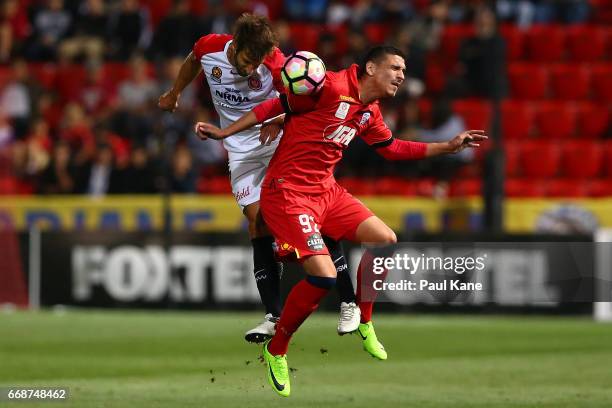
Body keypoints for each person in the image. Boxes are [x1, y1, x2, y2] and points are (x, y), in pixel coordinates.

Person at [195, 45, 487, 397]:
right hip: (288, 192)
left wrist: (447, 146)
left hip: (327, 192)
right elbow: (280, 103)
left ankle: (364, 320)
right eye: (395, 67)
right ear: (370, 68)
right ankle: (277, 349)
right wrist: (226, 134)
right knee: (324, 276)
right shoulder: (330, 86)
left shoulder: (370, 112)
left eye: (404, 70)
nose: (401, 75)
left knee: (384, 239)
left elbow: (392, 148)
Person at [158, 13, 360, 344]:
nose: (252, 69)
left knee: (310, 217)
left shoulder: (276, 63)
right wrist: (175, 91)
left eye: (257, 63)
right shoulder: (209, 47)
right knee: (259, 223)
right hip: (240, 152)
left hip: (280, 145)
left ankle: (348, 301)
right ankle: (274, 316)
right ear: (235, 46)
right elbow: (193, 60)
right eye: (248, 61)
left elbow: (303, 100)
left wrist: (279, 118)